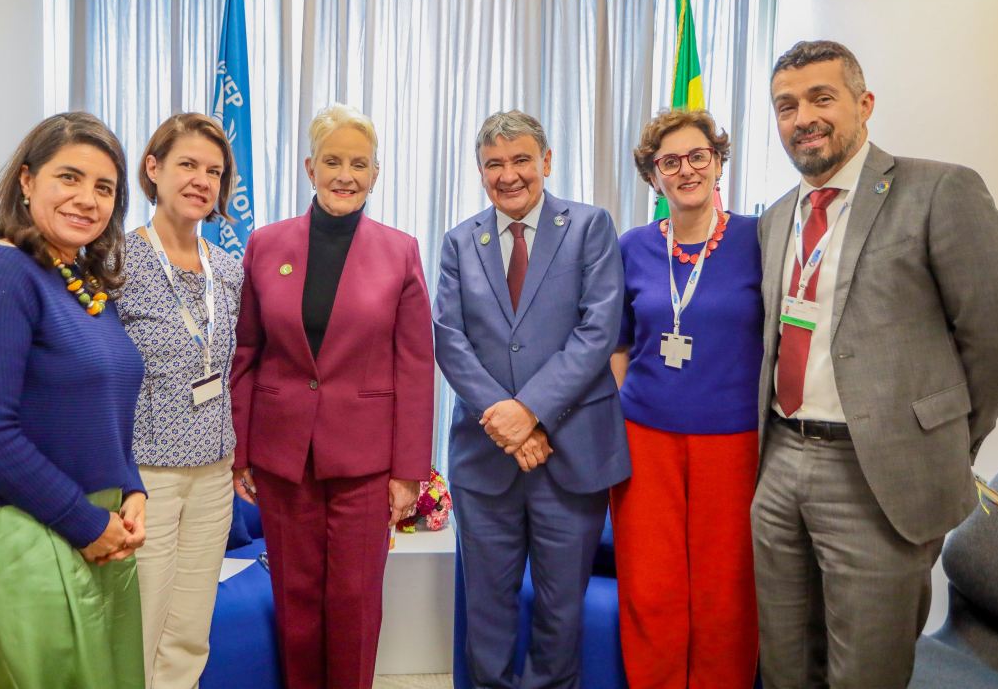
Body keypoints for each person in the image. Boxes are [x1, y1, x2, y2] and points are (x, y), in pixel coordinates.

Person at [753, 40, 998, 689]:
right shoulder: (776, 218)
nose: (803, 118)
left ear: (864, 103)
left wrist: (941, 440)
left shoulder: (937, 190)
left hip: (877, 475)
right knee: (784, 663)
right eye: (786, 106)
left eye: (822, 98)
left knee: (866, 671)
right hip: (779, 462)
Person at [0, 112, 147, 689]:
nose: (87, 199)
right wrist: (85, 522)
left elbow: (105, 409)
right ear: (27, 181)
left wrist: (131, 488)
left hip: (96, 530)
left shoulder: (83, 285)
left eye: (105, 188)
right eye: (68, 177)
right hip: (17, 536)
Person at [229, 103, 434, 688]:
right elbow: (246, 351)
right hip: (282, 454)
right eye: (333, 161)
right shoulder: (265, 244)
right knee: (294, 602)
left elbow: (416, 366)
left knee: (354, 601)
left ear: (376, 174)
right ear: (309, 168)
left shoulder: (400, 251)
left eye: (359, 164)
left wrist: (409, 471)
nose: (346, 175)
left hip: (366, 461)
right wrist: (241, 451)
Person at [434, 110, 630, 689]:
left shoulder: (590, 226)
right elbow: (449, 339)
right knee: (486, 611)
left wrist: (531, 413)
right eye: (494, 164)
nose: (509, 175)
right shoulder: (459, 241)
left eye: (521, 159)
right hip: (485, 456)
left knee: (560, 612)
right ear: (480, 171)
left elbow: (598, 331)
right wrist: (508, 423)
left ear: (545, 161)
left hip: (571, 453)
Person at [609, 109, 762, 688]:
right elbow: (618, 342)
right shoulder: (632, 246)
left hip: (735, 444)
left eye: (698, 156)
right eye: (669, 162)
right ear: (653, 176)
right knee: (650, 587)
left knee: (728, 590)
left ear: (718, 163)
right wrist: (626, 408)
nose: (686, 170)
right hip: (645, 442)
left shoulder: (759, 239)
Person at [118, 113, 244, 689]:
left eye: (213, 171)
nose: (201, 180)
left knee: (191, 629)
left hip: (214, 472)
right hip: (146, 476)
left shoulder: (229, 270)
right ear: (154, 168)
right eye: (188, 164)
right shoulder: (116, 263)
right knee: (140, 625)